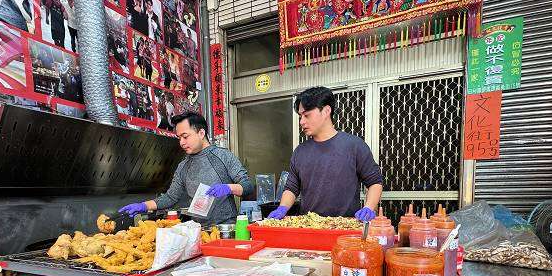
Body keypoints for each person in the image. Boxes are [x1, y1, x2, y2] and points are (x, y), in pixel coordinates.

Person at [268, 86, 383, 222]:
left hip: (345, 228)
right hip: (309, 227)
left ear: (326, 111)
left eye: (306, 115)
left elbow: (375, 182)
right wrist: (282, 208)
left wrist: (369, 207)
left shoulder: (354, 145)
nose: (301, 122)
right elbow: (291, 188)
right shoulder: (300, 152)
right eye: (300, 116)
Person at [119, 112, 253, 225]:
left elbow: (247, 186)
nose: (181, 142)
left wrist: (229, 188)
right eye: (179, 138)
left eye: (185, 136)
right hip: (198, 230)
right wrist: (143, 206)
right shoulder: (183, 166)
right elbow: (170, 197)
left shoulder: (223, 156)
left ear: (201, 133)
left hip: (227, 228)